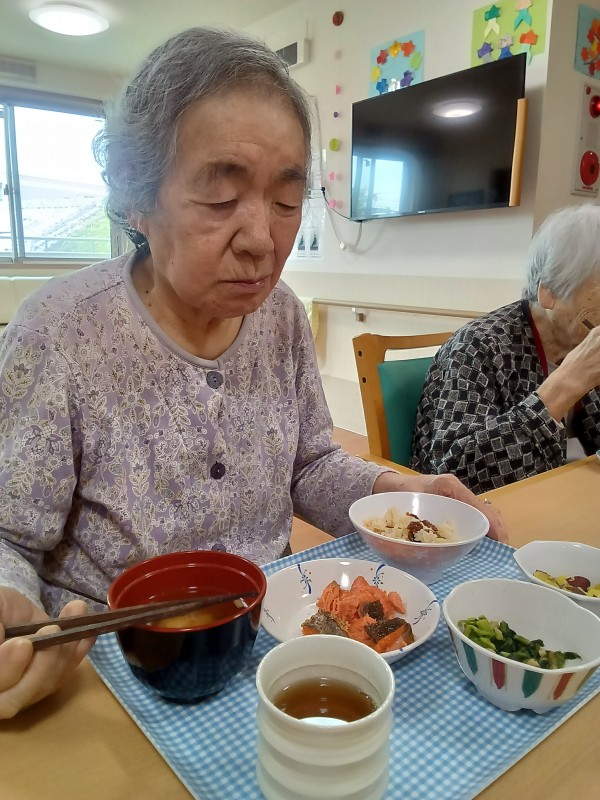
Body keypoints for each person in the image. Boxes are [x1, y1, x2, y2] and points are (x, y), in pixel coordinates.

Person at [0, 27, 504, 720]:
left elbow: (310, 464)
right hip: (115, 669)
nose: (263, 240)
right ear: (137, 197)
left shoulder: (283, 315)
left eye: (287, 202)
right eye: (219, 198)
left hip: (277, 634)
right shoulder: (59, 333)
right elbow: (9, 534)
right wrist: (11, 603)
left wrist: (403, 493)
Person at [411, 203, 600, 494]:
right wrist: (563, 387)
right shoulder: (478, 346)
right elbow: (454, 474)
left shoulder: (582, 341)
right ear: (548, 291)